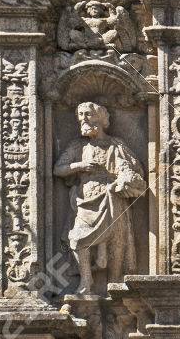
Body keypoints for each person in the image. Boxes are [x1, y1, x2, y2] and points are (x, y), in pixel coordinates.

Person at [53, 102, 146, 293]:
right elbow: (58, 169)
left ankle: (114, 281)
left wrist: (123, 180)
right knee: (78, 238)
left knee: (116, 238)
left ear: (102, 119)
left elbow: (134, 169)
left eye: (87, 114)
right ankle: (86, 282)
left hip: (113, 196)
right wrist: (80, 166)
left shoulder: (116, 145)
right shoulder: (78, 145)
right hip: (85, 198)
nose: (82, 119)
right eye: (80, 115)